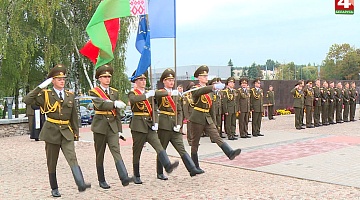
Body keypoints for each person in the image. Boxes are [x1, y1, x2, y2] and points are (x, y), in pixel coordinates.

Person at [23, 64, 90, 197]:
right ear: (52, 81)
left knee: (72, 157)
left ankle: (80, 182)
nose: (62, 81)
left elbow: (74, 117)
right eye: (58, 79)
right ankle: (54, 188)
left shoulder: (69, 95)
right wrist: (41, 86)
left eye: (63, 79)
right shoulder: (46, 94)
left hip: (66, 131)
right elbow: (27, 100)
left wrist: (76, 135)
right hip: (51, 131)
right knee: (52, 161)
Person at [128, 70, 179, 184]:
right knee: (137, 151)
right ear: (135, 81)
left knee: (159, 146)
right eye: (141, 79)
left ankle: (167, 166)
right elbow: (133, 100)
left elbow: (155, 107)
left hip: (150, 125)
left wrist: (155, 121)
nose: (143, 81)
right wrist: (146, 95)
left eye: (145, 79)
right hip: (138, 126)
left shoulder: (150, 93)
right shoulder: (133, 93)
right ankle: (136, 175)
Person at [189, 65, 241, 172]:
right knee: (195, 143)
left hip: (207, 117)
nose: (205, 77)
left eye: (206, 76)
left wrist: (214, 121)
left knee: (216, 136)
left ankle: (229, 152)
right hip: (197, 117)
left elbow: (211, 107)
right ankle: (194, 166)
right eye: (203, 76)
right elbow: (198, 92)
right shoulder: (195, 88)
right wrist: (213, 87)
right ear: (198, 77)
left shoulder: (209, 91)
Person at [89, 65, 133, 189]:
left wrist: (120, 130)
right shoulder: (94, 92)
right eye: (104, 77)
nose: (107, 79)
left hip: (113, 126)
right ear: (99, 78)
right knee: (100, 154)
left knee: (116, 151)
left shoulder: (114, 92)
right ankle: (101, 179)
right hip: (100, 126)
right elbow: (100, 105)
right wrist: (113, 103)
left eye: (109, 76)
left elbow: (117, 113)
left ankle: (124, 176)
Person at [155, 68, 202, 180]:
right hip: (164, 125)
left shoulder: (176, 94)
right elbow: (156, 95)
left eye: (172, 80)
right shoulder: (161, 93)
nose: (171, 82)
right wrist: (169, 93)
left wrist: (179, 124)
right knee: (162, 149)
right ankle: (160, 172)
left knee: (181, 148)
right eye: (169, 80)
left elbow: (179, 110)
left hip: (175, 126)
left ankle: (191, 168)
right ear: (164, 81)